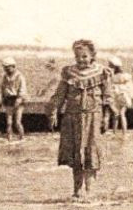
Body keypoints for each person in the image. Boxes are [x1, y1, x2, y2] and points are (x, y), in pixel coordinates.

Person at [48, 39, 114, 199]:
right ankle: (77, 190)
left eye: (84, 56)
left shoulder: (102, 72)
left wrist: (106, 117)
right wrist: (54, 112)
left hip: (93, 117)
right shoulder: (69, 72)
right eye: (78, 57)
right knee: (76, 154)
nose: (81, 60)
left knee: (91, 153)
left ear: (92, 56)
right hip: (72, 118)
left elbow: (108, 97)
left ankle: (90, 191)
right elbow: (60, 95)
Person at [0, 57, 28, 141]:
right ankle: (9, 139)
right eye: (5, 68)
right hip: (8, 100)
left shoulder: (20, 76)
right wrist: (2, 98)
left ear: (13, 66)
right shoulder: (5, 77)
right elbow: (3, 88)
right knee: (9, 123)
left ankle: (22, 137)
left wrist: (18, 100)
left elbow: (22, 90)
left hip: (18, 101)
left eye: (7, 67)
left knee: (17, 122)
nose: (6, 69)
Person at [107, 55, 133, 134]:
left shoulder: (112, 76)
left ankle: (114, 132)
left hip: (115, 95)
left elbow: (109, 85)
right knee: (122, 114)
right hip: (123, 95)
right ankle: (124, 132)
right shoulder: (125, 76)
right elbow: (130, 85)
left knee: (115, 114)